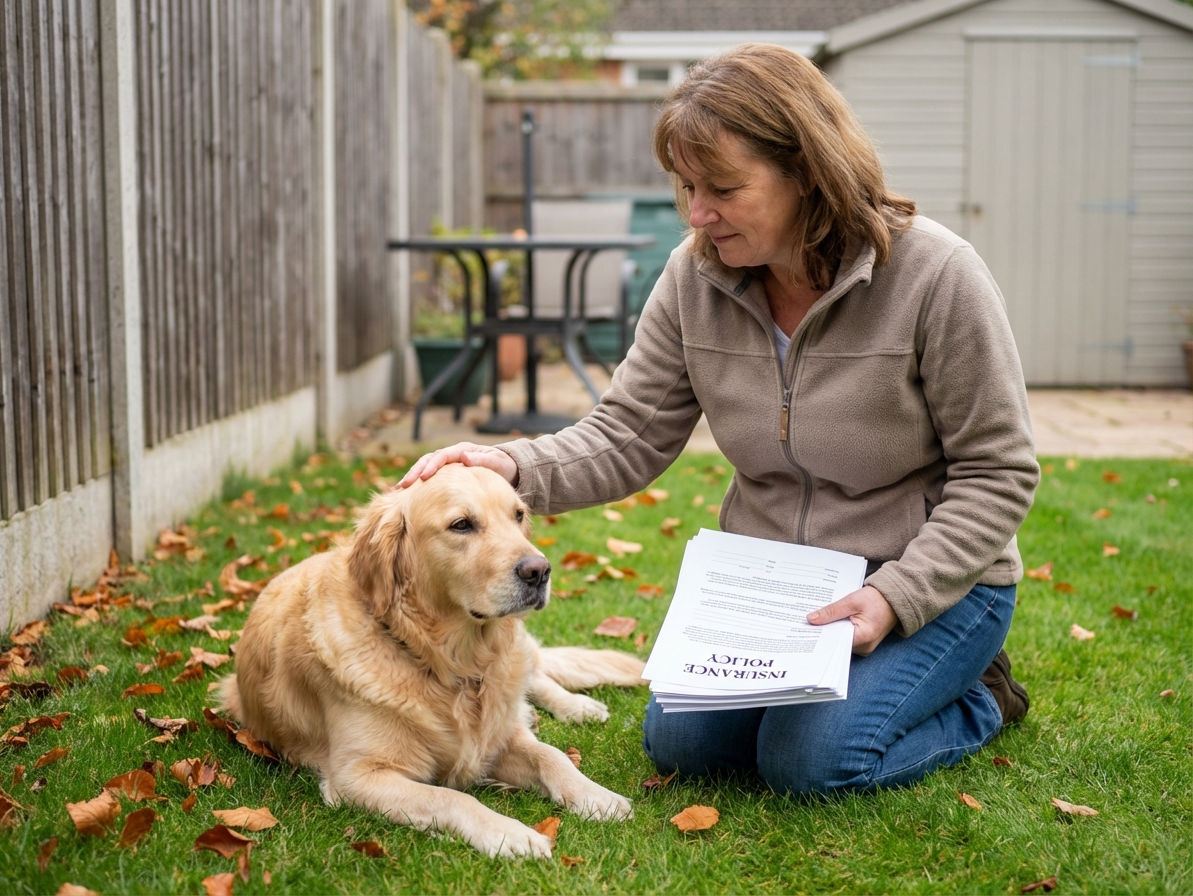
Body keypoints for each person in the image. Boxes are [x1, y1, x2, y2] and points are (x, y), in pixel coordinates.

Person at [399, 43, 1038, 796]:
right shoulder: (695, 274)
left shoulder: (936, 276)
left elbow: (998, 471)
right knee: (684, 746)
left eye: (724, 189)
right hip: (776, 587)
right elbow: (628, 433)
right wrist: (511, 465)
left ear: (806, 171)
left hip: (931, 582)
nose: (699, 214)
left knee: (810, 763)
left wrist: (896, 598)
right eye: (688, 187)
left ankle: (983, 696)